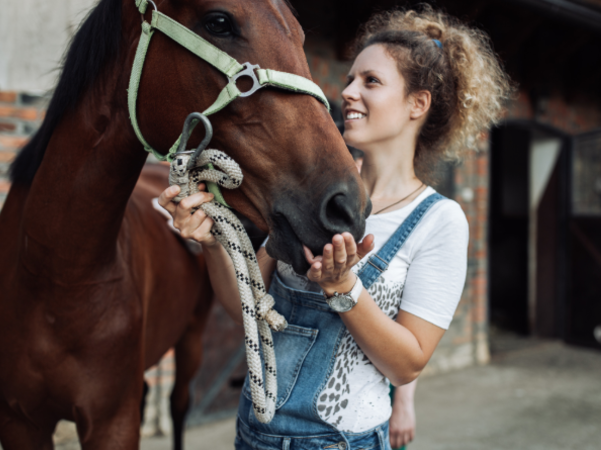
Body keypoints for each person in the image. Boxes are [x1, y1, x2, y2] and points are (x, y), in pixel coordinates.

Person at [159, 5, 511, 449]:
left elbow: (407, 364)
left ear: (417, 105)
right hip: (253, 435)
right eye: (350, 79)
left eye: (371, 81)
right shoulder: (314, 196)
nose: (348, 92)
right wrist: (213, 243)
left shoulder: (439, 220)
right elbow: (245, 308)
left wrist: (344, 288)